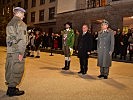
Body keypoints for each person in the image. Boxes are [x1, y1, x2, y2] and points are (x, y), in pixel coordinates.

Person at [5, 7, 28, 96]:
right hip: (17, 50)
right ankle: (12, 90)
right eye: (23, 14)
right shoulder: (20, 23)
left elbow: (10, 39)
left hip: (11, 50)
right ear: (19, 13)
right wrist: (21, 52)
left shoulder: (10, 23)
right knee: (17, 68)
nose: (24, 16)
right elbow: (22, 40)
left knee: (10, 67)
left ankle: (11, 87)